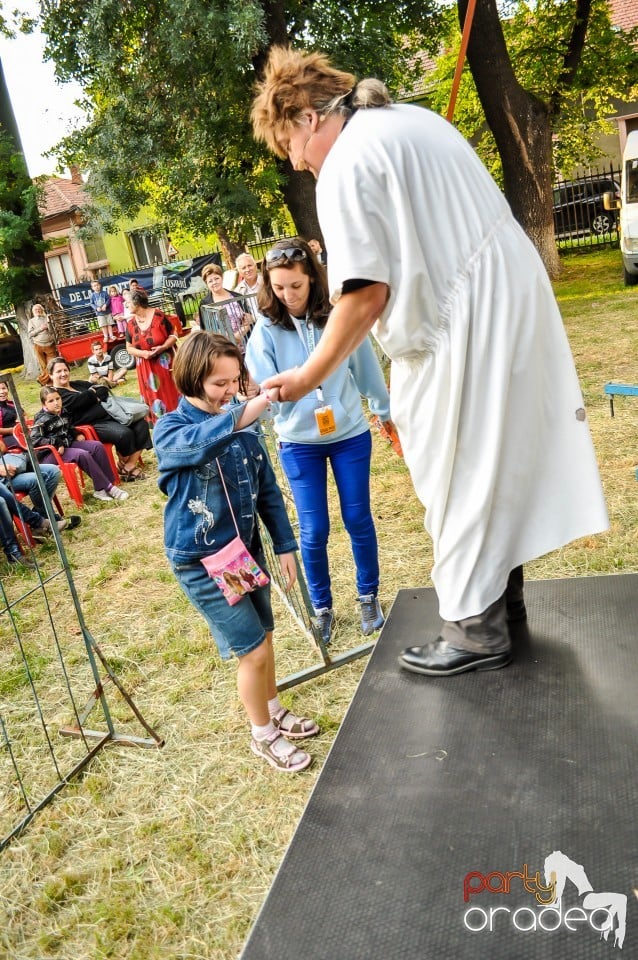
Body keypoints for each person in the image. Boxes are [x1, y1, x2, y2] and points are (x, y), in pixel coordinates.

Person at [251, 47, 609, 677]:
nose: (299, 164)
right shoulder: (413, 120)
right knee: (498, 457)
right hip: (510, 295)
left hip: (462, 323)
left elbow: (365, 293)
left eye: (289, 147)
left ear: (305, 117)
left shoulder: (348, 161)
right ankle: (503, 599)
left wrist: (308, 376)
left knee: (457, 469)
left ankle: (475, 628)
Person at [153, 331, 319, 772]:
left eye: (234, 381)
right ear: (192, 379)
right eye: (218, 384)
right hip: (204, 560)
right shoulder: (171, 429)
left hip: (242, 551)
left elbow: (266, 490)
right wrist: (250, 409)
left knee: (264, 636)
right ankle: (262, 735)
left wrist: (283, 544)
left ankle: (274, 709)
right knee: (252, 649)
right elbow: (200, 442)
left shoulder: (241, 426)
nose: (230, 392)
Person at [246, 237, 391, 642]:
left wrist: (383, 411)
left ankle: (368, 597)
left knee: (357, 518)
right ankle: (322, 606)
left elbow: (365, 368)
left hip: (348, 435)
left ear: (312, 277)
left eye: (296, 285)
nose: (288, 295)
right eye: (279, 288)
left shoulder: (336, 317)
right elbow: (265, 390)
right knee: (313, 530)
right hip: (298, 443)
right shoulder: (265, 329)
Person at [48, 357, 152, 482]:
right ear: (51, 375)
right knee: (124, 433)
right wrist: (92, 395)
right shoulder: (57, 395)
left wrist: (91, 396)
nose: (63, 374)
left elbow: (103, 389)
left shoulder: (77, 384)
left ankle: (128, 466)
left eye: (65, 370)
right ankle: (127, 468)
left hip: (110, 416)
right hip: (90, 425)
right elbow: (77, 402)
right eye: (58, 372)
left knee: (141, 424)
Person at [31, 387, 129, 502]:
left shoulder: (64, 411)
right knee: (82, 454)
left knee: (97, 446)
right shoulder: (41, 419)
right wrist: (56, 442)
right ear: (44, 404)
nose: (56, 403)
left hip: (69, 445)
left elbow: (68, 426)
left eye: (58, 399)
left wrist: (75, 433)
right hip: (52, 453)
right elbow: (34, 439)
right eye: (51, 401)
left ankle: (102, 488)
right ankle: (110, 488)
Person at [125, 289, 180, 423]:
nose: (126, 305)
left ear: (137, 303)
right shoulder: (130, 324)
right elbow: (129, 348)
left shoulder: (159, 316)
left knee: (170, 391)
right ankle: (161, 424)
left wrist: (164, 347)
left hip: (165, 364)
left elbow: (174, 335)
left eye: (128, 302)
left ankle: (179, 418)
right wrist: (143, 353)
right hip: (145, 367)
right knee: (154, 396)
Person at [199, 263, 254, 345]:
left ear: (222, 278)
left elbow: (248, 320)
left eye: (216, 278)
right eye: (210, 281)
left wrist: (237, 337)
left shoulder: (237, 297)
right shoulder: (205, 304)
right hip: (221, 346)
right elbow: (206, 329)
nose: (214, 282)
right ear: (206, 284)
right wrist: (229, 339)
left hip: (245, 342)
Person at [27, 304, 58, 385]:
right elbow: (30, 334)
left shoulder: (47, 318)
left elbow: (52, 331)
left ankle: (42, 380)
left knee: (52, 364)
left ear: (42, 310)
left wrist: (49, 323)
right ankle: (50, 383)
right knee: (43, 365)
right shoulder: (31, 321)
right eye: (36, 310)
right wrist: (41, 329)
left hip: (50, 344)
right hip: (38, 345)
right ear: (33, 312)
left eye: (39, 309)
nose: (38, 311)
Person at [89, 280, 115, 344]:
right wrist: (96, 308)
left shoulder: (104, 293)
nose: (96, 287)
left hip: (107, 312)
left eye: (97, 285)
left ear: (100, 285)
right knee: (103, 325)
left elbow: (109, 299)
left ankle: (111, 335)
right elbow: (91, 303)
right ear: (92, 288)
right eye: (94, 286)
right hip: (100, 314)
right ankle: (106, 336)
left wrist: (105, 305)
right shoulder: (92, 295)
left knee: (109, 324)